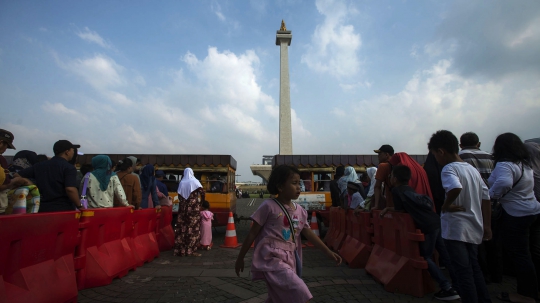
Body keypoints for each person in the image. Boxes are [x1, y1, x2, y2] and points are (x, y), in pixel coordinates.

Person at [235, 165, 342, 302]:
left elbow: (309, 235)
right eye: (294, 183)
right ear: (280, 187)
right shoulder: (268, 206)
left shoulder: (301, 211)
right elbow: (252, 233)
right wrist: (240, 258)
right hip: (271, 259)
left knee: (278, 298)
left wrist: (328, 252)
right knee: (300, 291)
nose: (299, 187)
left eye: (300, 183)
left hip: (290, 258)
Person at [428, 130, 491, 303]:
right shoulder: (471, 169)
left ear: (440, 151)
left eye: (435, 155)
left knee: (462, 273)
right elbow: (486, 196)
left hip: (456, 229)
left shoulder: (448, 168)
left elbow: (455, 187)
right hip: (474, 227)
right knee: (474, 268)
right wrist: (487, 226)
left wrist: (446, 205)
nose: (436, 159)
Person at [380, 165, 459, 301]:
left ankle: (447, 287)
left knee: (425, 257)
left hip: (426, 226)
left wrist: (387, 208)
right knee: (445, 255)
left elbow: (400, 210)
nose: (390, 178)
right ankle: (459, 284)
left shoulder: (397, 191)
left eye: (391, 176)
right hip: (435, 221)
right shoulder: (409, 189)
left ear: (396, 179)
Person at [489, 133, 540, 303]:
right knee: (532, 252)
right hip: (533, 210)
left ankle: (526, 294)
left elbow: (504, 183)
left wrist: (491, 195)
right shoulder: (525, 164)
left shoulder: (505, 164)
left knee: (520, 255)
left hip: (516, 214)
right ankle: (533, 289)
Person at [17, 140, 84, 212]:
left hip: (41, 207)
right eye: (72, 151)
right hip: (62, 209)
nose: (73, 153)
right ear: (67, 152)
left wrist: (31, 184)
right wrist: (79, 205)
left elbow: (17, 175)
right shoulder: (69, 168)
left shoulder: (40, 165)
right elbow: (70, 189)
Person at [174, 167, 205, 257]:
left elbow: (179, 196)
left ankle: (181, 250)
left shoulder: (182, 183)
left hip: (183, 209)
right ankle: (191, 250)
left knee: (182, 229)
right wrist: (201, 202)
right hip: (193, 209)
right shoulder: (195, 182)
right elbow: (202, 192)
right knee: (193, 229)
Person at [372, 144, 395, 210]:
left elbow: (377, 187)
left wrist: (376, 205)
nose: (378, 156)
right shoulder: (397, 164)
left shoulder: (383, 166)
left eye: (380, 154)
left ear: (386, 155)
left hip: (390, 205)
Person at [0, 129, 16, 214]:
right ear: (1, 143)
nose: (5, 149)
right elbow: (2, 186)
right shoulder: (1, 159)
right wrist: (16, 181)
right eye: (6, 145)